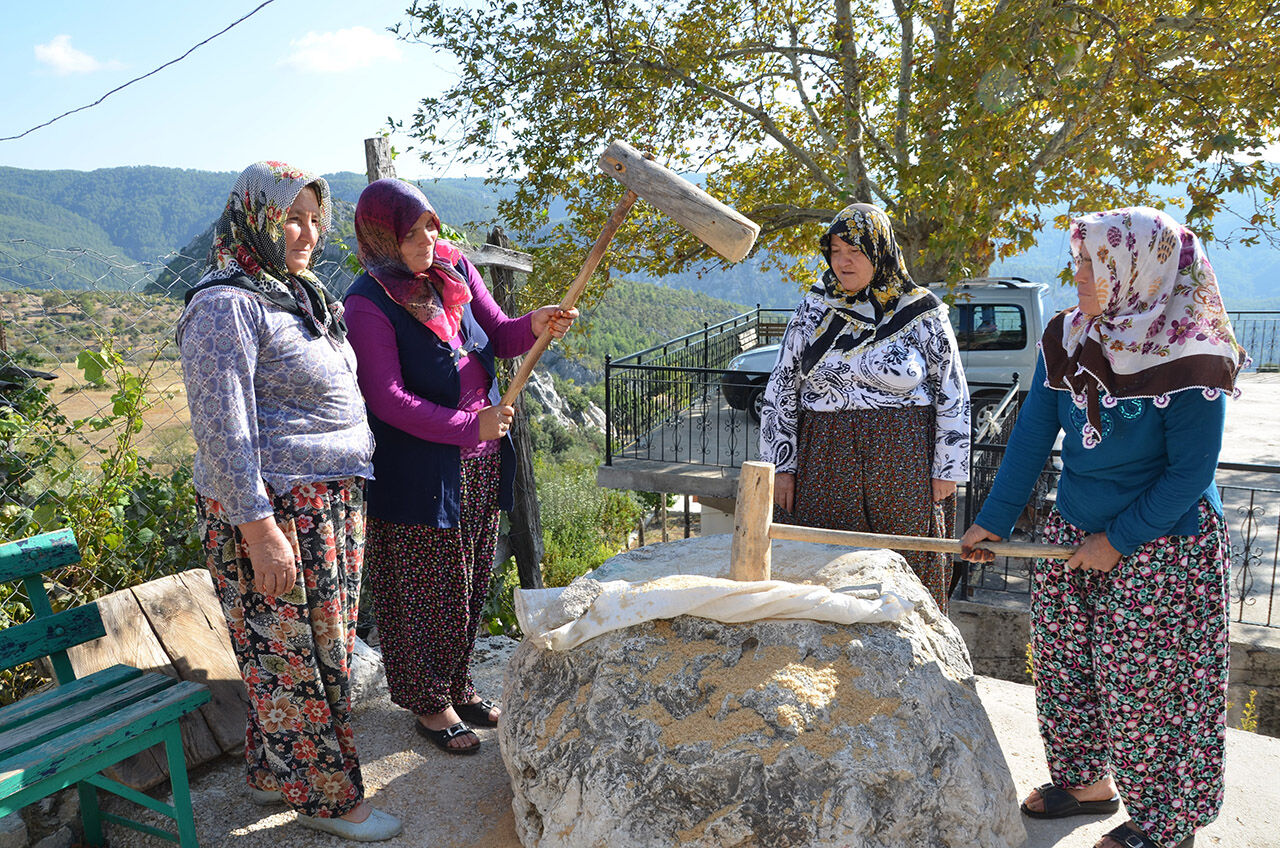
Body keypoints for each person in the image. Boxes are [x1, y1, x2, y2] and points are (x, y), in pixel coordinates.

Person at [960, 207, 1248, 848]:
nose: (1079, 273)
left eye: (1095, 262)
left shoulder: (1192, 354)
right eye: (1081, 258)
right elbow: (1035, 432)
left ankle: (1165, 824)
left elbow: (1189, 472)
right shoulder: (1067, 335)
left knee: (1151, 691)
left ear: (1137, 270)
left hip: (1163, 543)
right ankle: (1085, 782)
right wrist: (992, 521)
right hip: (1074, 531)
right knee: (1066, 667)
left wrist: (1117, 542)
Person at [178, 162, 401, 842]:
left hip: (324, 503)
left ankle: (275, 771)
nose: (306, 234)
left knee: (315, 652)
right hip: (274, 512)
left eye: (313, 219)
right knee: (295, 657)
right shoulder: (226, 306)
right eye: (289, 219)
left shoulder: (293, 294)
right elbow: (224, 430)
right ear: (255, 219)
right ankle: (326, 798)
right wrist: (260, 530)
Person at [344, 178, 575, 754]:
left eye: (431, 224)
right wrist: (470, 425)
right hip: (420, 470)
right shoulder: (368, 302)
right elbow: (387, 398)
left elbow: (500, 335)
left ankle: (459, 682)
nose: (429, 237)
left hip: (480, 460)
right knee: (428, 587)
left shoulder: (454, 270)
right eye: (412, 231)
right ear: (382, 236)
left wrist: (538, 323)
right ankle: (429, 702)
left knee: (471, 579)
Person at [759, 202, 970, 612]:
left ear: (879, 251)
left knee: (906, 564)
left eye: (854, 251)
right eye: (835, 251)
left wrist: (947, 471)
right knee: (826, 565)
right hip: (826, 456)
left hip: (902, 456)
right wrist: (782, 467)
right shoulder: (814, 307)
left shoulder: (921, 311)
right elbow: (782, 386)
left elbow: (952, 391)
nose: (843, 262)